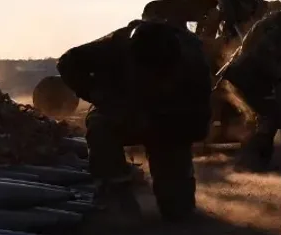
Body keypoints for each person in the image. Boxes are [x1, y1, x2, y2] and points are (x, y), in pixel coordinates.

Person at [56, 20, 212, 221]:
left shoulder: (194, 60)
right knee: (100, 126)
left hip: (167, 118)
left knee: (178, 210)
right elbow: (67, 63)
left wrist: (175, 136)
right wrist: (101, 97)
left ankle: (172, 191)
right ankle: (115, 190)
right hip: (123, 109)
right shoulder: (114, 46)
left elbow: (199, 119)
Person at [215, 5, 281, 172]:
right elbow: (262, 54)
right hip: (245, 77)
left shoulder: (268, 25)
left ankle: (252, 159)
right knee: (267, 117)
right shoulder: (273, 30)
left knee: (260, 117)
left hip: (242, 76)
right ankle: (252, 162)